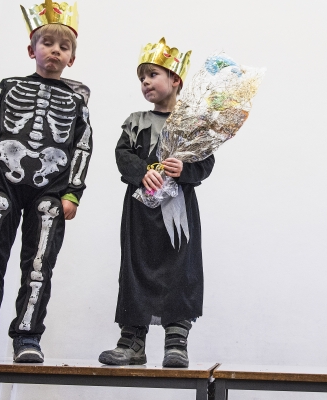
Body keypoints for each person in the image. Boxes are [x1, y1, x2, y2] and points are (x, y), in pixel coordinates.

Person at [0, 1, 92, 363]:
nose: (55, 51)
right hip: (2, 182)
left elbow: (82, 145)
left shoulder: (77, 99)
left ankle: (28, 337)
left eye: (64, 47)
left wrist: (72, 193)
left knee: (38, 266)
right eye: (47, 43)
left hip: (50, 190)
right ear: (31, 49)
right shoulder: (8, 85)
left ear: (71, 59)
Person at [99, 38, 214, 368]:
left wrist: (185, 169)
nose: (145, 82)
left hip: (178, 213)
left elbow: (205, 164)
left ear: (175, 80)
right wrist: (141, 173)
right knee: (135, 268)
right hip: (139, 213)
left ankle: (177, 340)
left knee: (181, 269)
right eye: (141, 78)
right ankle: (132, 341)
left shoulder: (193, 123)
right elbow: (123, 156)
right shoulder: (136, 121)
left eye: (152, 75)